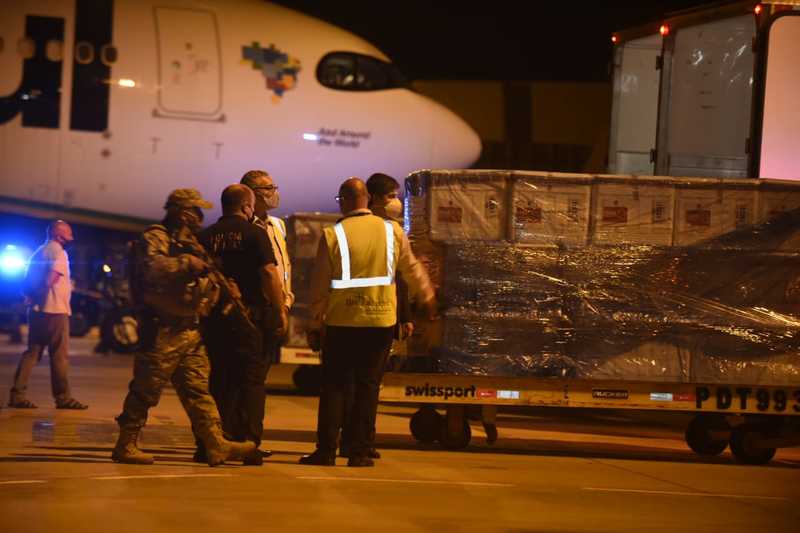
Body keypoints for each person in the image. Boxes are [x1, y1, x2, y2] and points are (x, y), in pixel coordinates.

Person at [112, 189, 256, 466]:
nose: (200, 217)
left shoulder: (189, 242)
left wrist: (221, 288)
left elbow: (207, 273)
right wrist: (187, 263)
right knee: (146, 389)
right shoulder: (155, 237)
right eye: (196, 210)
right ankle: (125, 444)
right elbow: (152, 268)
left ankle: (216, 444)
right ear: (182, 213)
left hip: (190, 329)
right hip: (162, 330)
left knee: (197, 389)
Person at [300, 177, 436, 467]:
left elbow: (319, 285)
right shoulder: (392, 231)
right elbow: (411, 269)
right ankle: (359, 452)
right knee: (368, 387)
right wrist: (427, 296)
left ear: (345, 201)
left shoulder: (333, 234)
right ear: (367, 199)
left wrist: (314, 324)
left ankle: (326, 451)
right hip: (380, 321)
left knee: (334, 387)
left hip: (342, 321)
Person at [196, 184, 285, 465]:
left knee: (219, 380)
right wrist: (279, 309)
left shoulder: (206, 236)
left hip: (215, 320)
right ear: (247, 206)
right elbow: (269, 273)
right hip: (249, 319)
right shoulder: (255, 233)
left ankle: (211, 442)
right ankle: (248, 444)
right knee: (251, 382)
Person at [338, 173, 413, 459]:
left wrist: (405, 315)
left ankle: (362, 439)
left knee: (367, 384)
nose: (396, 202)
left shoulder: (393, 229)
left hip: (375, 314)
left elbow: (400, 278)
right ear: (374, 198)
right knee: (361, 384)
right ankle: (356, 440)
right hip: (368, 315)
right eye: (391, 196)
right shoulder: (373, 230)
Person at [8, 220, 87, 410]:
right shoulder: (59, 253)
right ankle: (63, 398)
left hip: (37, 312)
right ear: (59, 235)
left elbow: (26, 281)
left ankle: (17, 396)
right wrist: (42, 293)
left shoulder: (39, 252)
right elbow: (51, 279)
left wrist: (32, 297)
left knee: (32, 354)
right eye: (68, 233)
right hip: (55, 311)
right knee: (59, 356)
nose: (71, 236)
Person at [240, 169, 293, 361]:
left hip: (278, 307)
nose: (274, 192)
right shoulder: (245, 227)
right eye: (269, 188)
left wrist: (285, 303)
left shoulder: (278, 225)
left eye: (274, 187)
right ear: (252, 194)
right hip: (255, 310)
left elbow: (284, 266)